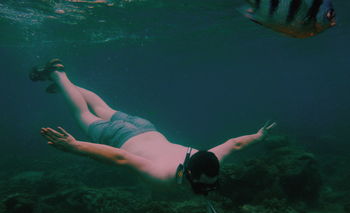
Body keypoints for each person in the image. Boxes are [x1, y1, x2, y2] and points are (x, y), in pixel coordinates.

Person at [30, 59, 276, 195]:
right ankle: (59, 76)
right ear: (187, 174)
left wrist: (258, 136)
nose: (207, 189)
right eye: (203, 185)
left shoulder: (211, 158)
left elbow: (235, 144)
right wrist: (75, 146)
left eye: (211, 184)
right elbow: (120, 157)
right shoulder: (162, 175)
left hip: (146, 128)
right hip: (118, 137)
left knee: (103, 107)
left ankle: (66, 86)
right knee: (83, 113)